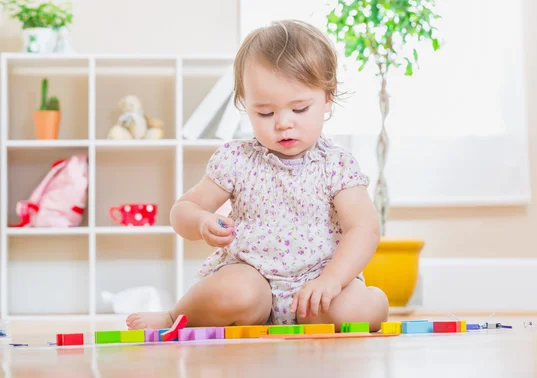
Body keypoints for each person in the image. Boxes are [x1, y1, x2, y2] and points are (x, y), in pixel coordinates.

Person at [126, 19, 389, 332]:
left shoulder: (336, 164)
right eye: (265, 112)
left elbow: (364, 227)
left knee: (351, 311)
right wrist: (201, 222)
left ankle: (376, 301)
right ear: (245, 104)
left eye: (300, 108)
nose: (283, 123)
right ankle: (175, 317)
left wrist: (333, 279)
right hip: (252, 277)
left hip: (320, 282)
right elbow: (182, 210)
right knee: (234, 291)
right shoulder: (237, 159)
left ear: (327, 97)